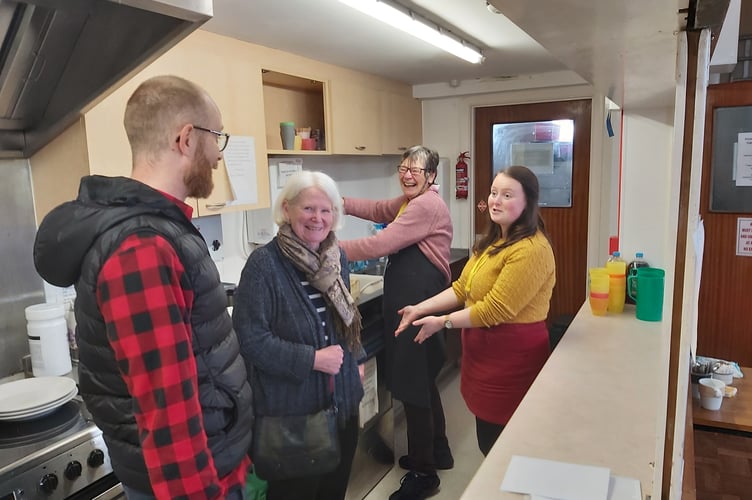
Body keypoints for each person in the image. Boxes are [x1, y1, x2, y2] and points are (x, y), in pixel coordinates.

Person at [33, 75, 252, 499]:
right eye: (217, 137)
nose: (219, 156)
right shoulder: (143, 247)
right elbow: (167, 414)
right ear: (186, 138)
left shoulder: (160, 230)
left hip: (216, 466)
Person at [396, 165, 556, 456]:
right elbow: (462, 288)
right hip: (483, 359)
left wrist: (441, 323)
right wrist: (419, 309)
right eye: (494, 192)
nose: (496, 200)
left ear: (528, 202)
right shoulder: (493, 241)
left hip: (512, 362)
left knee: (505, 448)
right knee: (488, 440)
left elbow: (494, 309)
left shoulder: (532, 249)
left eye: (507, 195)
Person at [232, 170, 364, 500]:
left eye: (325, 210)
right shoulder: (264, 266)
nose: (317, 218)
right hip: (293, 419)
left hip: (343, 406)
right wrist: (312, 360)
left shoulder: (336, 258)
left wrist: (356, 360)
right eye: (308, 209)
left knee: (334, 492)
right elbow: (250, 340)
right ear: (287, 209)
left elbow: (344, 322)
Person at [340, 145, 453, 500]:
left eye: (415, 170)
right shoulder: (410, 201)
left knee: (414, 385)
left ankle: (424, 473)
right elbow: (377, 210)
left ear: (431, 176)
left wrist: (327, 247)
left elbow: (380, 243)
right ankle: (437, 450)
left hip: (418, 300)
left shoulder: (426, 205)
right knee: (422, 380)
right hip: (416, 297)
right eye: (403, 167)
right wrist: (336, 200)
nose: (407, 174)